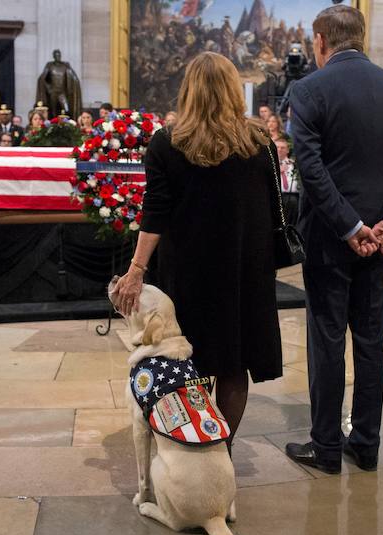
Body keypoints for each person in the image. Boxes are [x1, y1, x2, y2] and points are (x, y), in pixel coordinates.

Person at [111, 52, 282, 454]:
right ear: (233, 89)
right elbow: (275, 210)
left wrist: (137, 269)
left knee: (188, 362)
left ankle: (193, 446)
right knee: (234, 363)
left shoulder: (168, 143)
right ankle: (221, 450)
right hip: (244, 270)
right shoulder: (259, 142)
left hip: (188, 272)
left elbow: (155, 212)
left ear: (188, 91)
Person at [284, 5, 383, 473]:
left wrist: (348, 226)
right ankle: (366, 443)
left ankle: (326, 449)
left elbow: (311, 168)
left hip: (330, 239)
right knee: (371, 341)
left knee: (327, 340)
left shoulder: (308, 90)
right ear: (360, 38)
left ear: (322, 40)